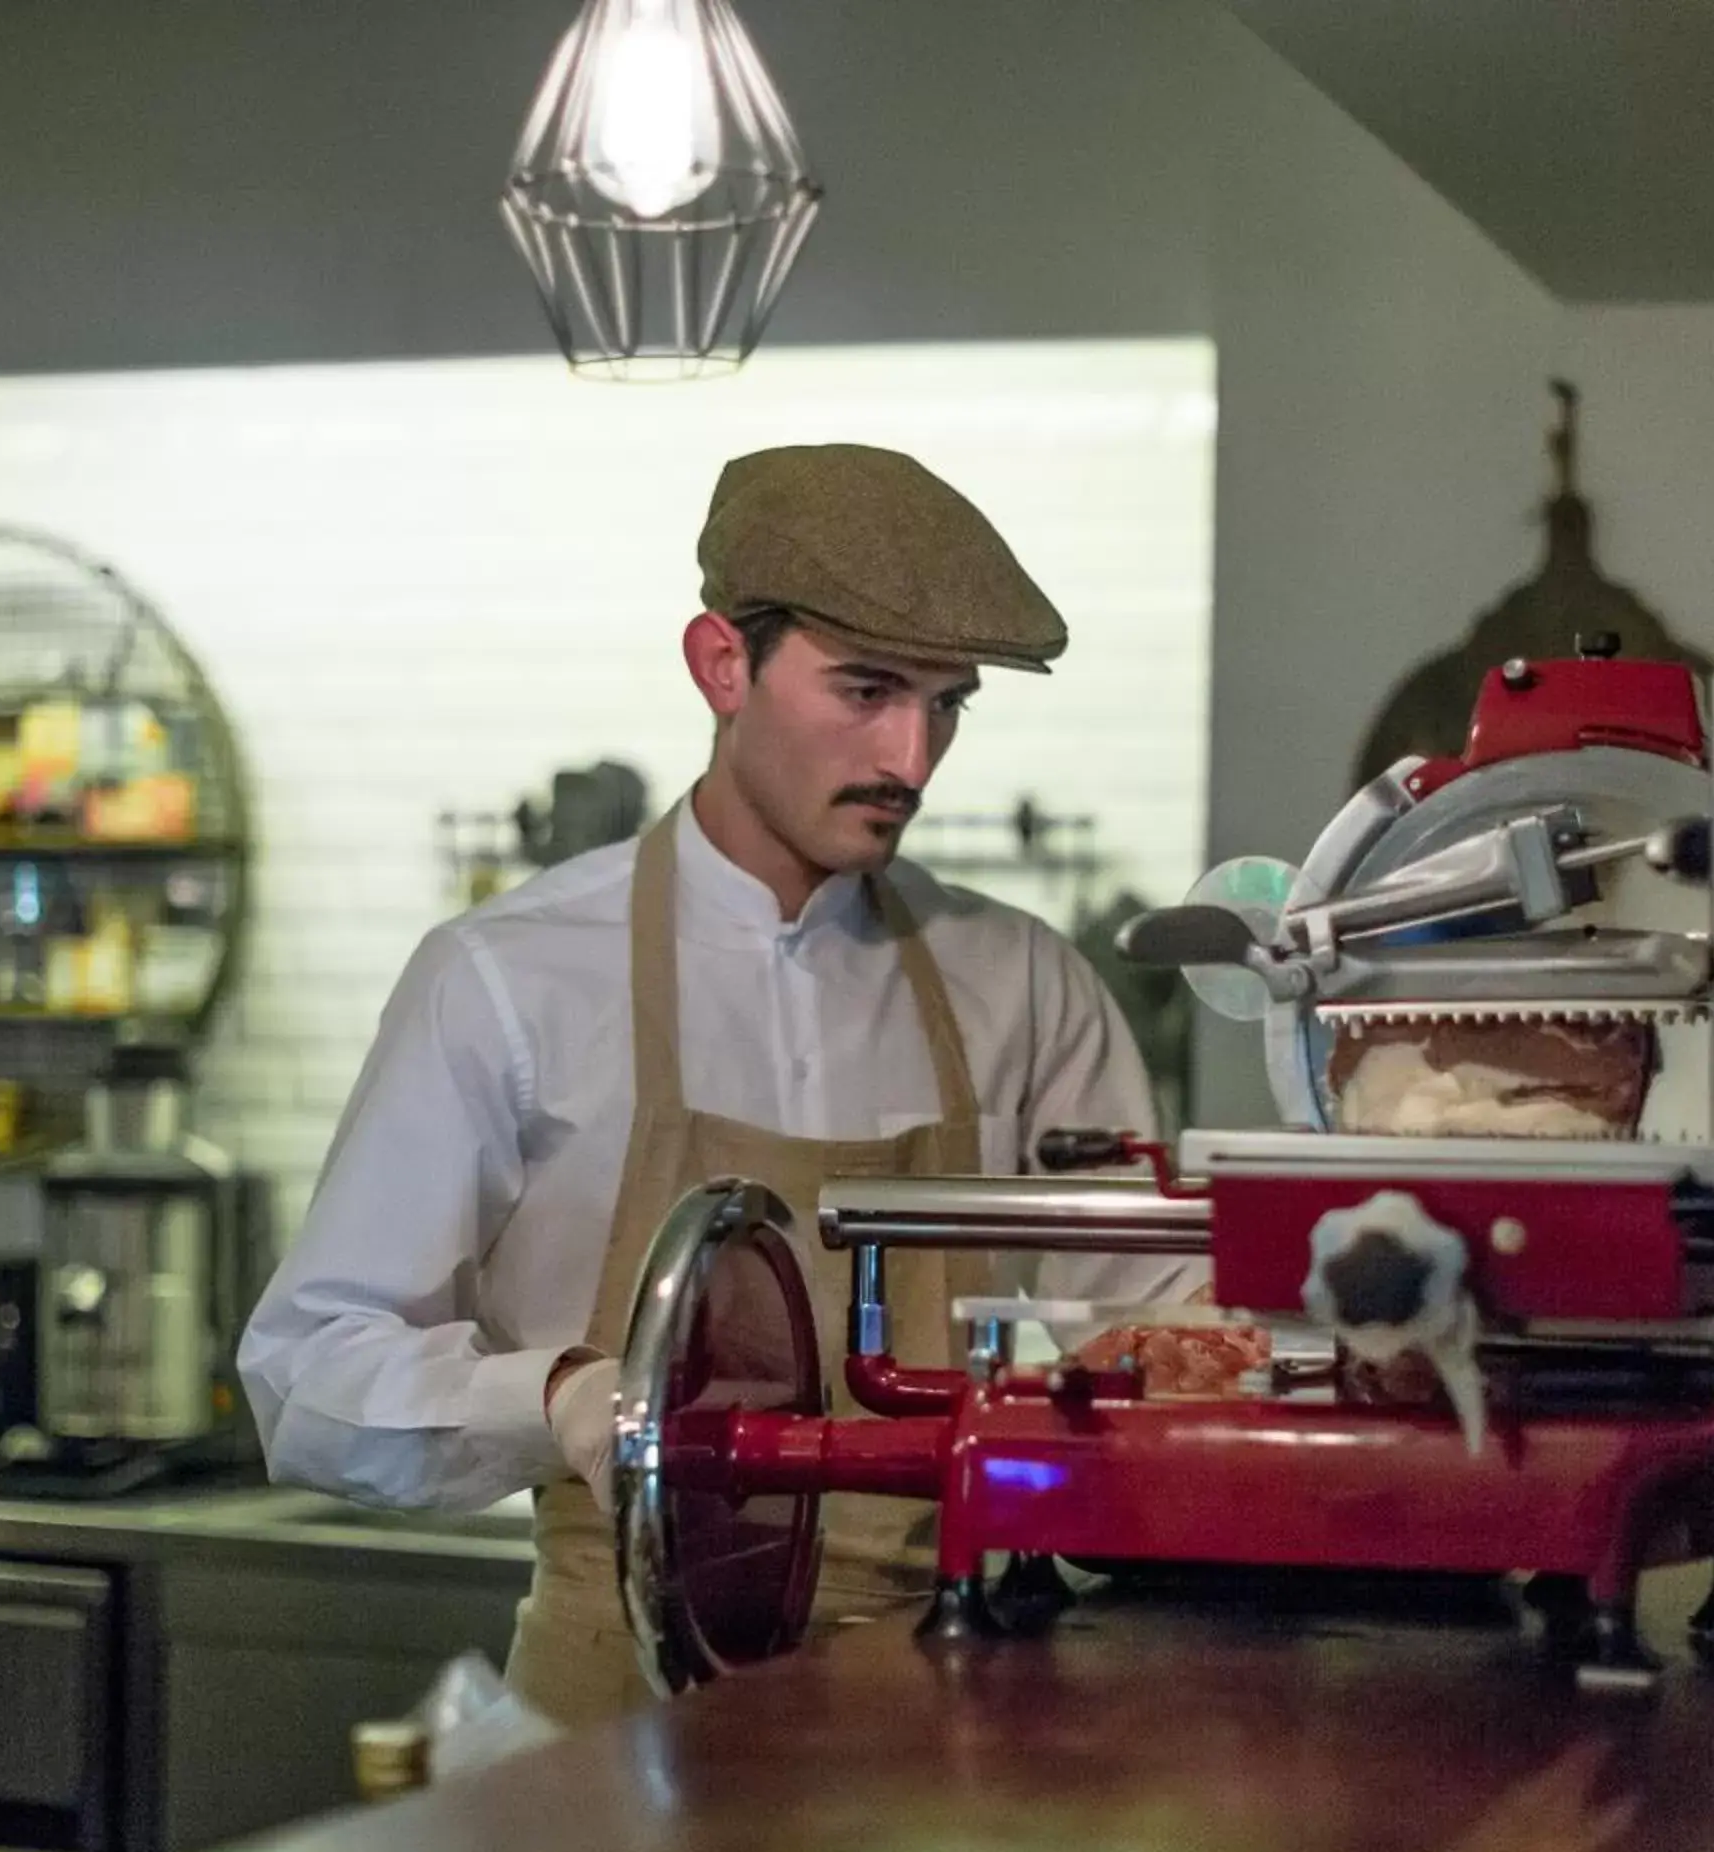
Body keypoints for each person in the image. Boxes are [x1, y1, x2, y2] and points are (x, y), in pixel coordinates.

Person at [238, 442, 1200, 1724]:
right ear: (720, 664)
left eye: (948, 703)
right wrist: (562, 1397)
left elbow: (1163, 1325)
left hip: (943, 1720)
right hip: (609, 1722)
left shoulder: (1020, 984)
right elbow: (309, 1375)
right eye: (865, 689)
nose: (911, 757)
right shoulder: (507, 979)